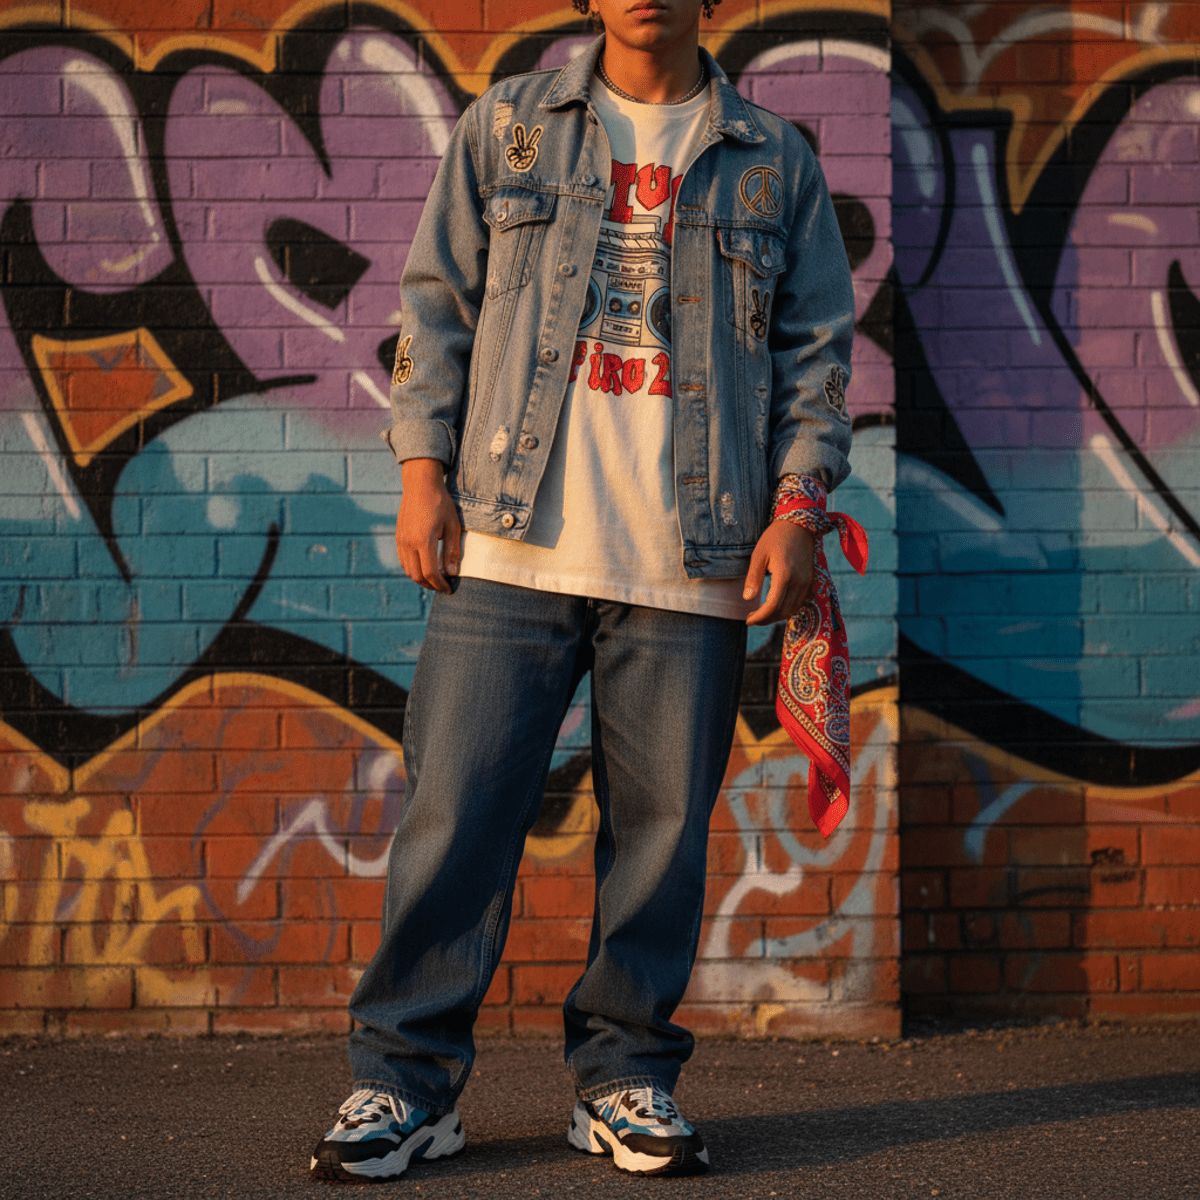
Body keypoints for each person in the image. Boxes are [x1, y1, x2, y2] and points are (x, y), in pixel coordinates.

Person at [310, 0, 854, 1181]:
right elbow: (434, 307)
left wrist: (798, 510)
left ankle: (625, 1079)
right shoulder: (508, 128)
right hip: (506, 545)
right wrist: (421, 480)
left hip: (692, 554)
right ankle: (404, 1087)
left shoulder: (774, 160)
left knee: (658, 842)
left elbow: (817, 352)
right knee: (454, 821)